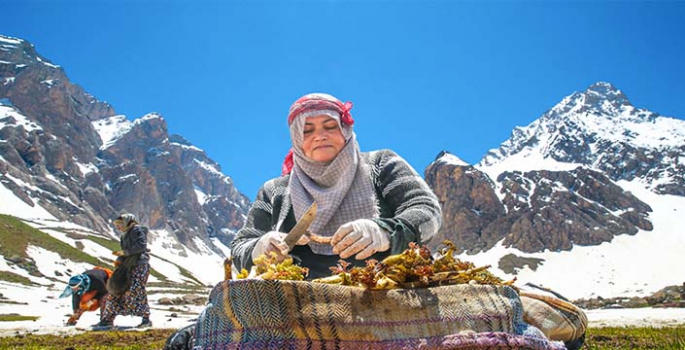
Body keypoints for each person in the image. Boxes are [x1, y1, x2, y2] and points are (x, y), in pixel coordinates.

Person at [230, 93, 443, 279]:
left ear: (345, 130)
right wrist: (259, 249)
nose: (320, 135)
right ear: (296, 139)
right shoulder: (274, 191)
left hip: (391, 290)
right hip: (299, 307)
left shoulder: (381, 164)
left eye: (330, 126)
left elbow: (427, 211)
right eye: (307, 130)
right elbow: (240, 249)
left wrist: (385, 232)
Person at [92, 213, 152, 330]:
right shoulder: (124, 235)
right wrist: (120, 259)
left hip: (139, 265)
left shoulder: (137, 231)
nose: (118, 227)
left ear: (128, 222)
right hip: (127, 266)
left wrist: (125, 253)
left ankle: (145, 318)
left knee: (136, 290)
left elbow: (141, 246)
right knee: (116, 290)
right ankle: (107, 318)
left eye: (120, 224)